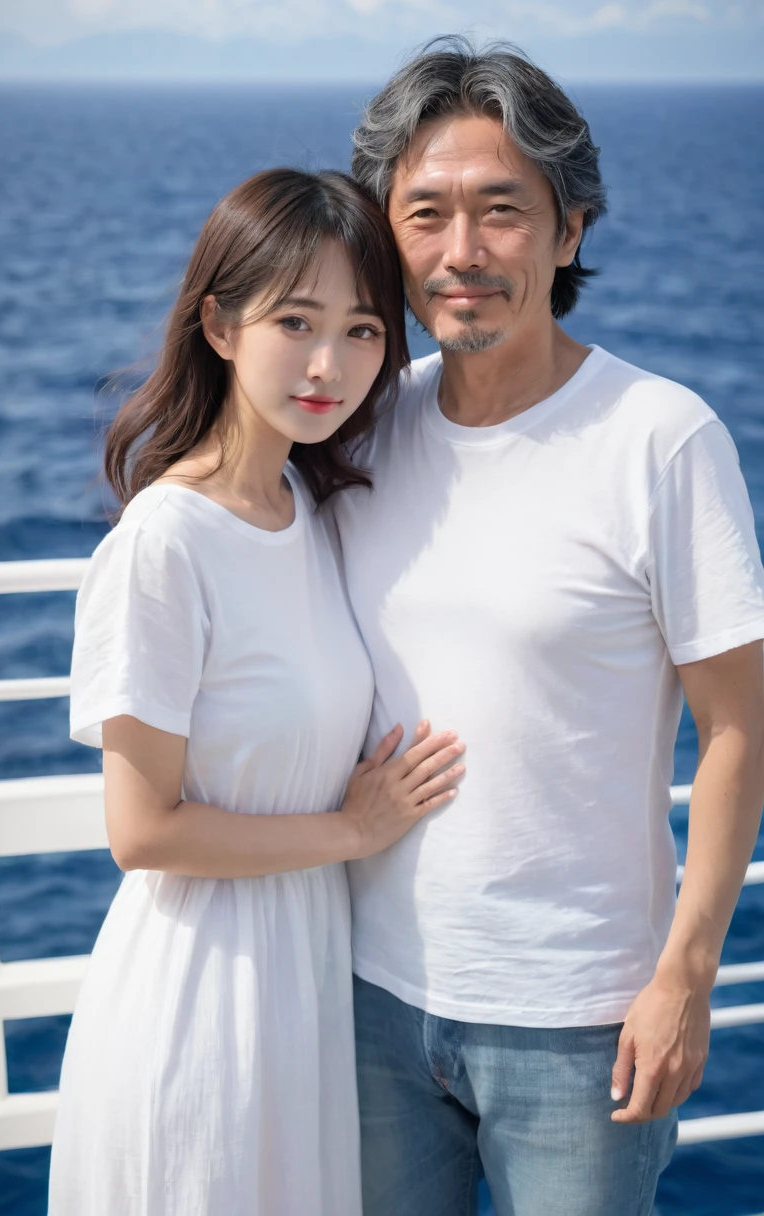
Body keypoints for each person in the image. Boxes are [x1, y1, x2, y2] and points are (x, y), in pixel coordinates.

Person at [333, 38, 764, 1216]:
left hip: (582, 1023)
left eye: (501, 212)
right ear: (386, 234)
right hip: (372, 996)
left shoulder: (660, 438)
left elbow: (738, 729)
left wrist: (685, 974)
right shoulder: (362, 428)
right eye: (423, 214)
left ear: (569, 230)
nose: (460, 253)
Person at [47, 167, 466, 1216]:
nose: (331, 365)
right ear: (220, 325)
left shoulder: (301, 505)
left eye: (364, 330)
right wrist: (350, 829)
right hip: (198, 1002)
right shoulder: (166, 541)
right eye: (295, 321)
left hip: (305, 994)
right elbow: (142, 830)